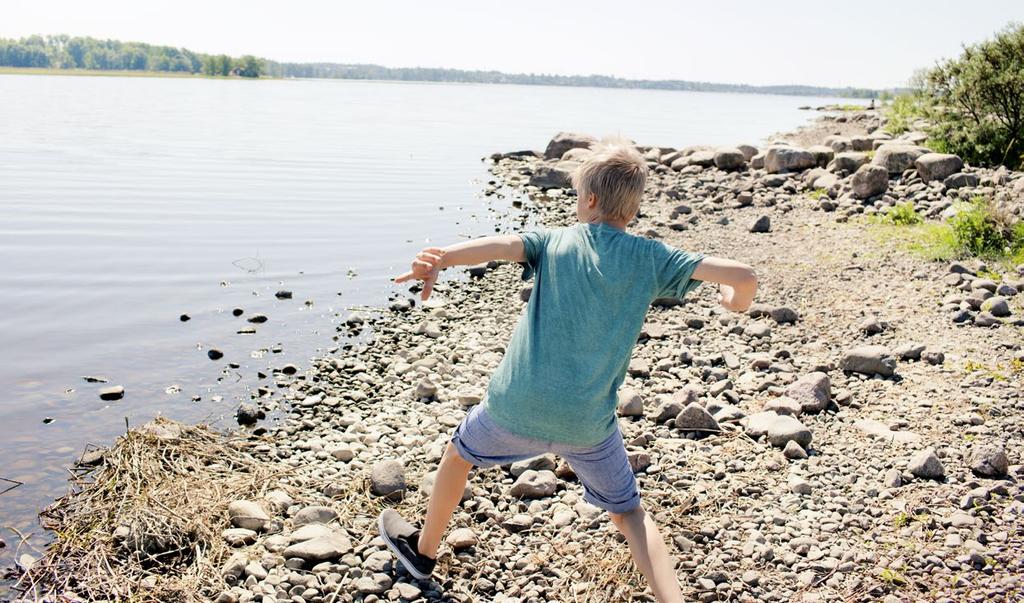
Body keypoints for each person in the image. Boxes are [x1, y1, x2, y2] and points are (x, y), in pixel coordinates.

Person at [379, 140, 757, 602]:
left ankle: (423, 553)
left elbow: (497, 247)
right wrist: (734, 304)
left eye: (578, 195)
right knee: (631, 515)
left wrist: (439, 258)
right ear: (632, 210)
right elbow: (744, 276)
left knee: (458, 457)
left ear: (590, 200)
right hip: (587, 425)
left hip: (513, 410)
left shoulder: (554, 242)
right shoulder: (653, 257)